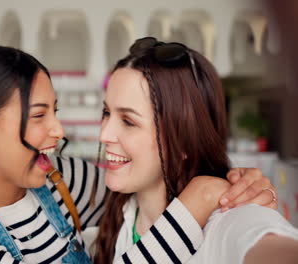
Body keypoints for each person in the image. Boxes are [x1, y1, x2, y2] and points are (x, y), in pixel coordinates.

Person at [0, 44, 276, 263]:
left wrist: (238, 183)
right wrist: (199, 198)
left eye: (55, 111)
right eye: (39, 115)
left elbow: (153, 179)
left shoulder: (63, 181)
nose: (58, 130)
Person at [93, 37, 298, 263]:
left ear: (182, 140)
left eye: (128, 121)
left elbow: (268, 243)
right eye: (106, 113)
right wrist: (201, 195)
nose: (104, 135)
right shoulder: (121, 208)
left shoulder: (226, 216)